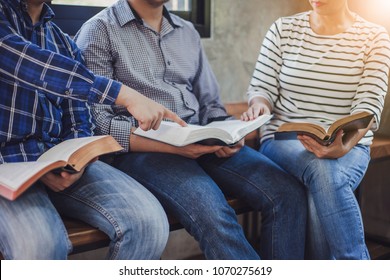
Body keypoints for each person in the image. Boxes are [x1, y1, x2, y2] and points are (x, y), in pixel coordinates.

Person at [75, 0, 307, 260]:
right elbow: (96, 123)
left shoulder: (187, 32)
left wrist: (231, 132)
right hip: (144, 152)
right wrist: (172, 145)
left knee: (287, 193)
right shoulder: (98, 30)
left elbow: (210, 106)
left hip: (201, 140)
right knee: (214, 213)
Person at [0, 0, 186, 260]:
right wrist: (124, 95)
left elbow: (79, 120)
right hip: (6, 166)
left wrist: (74, 164)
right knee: (40, 246)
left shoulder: (64, 43)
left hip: (55, 164)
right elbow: (26, 62)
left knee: (149, 223)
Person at [241, 0, 390, 259]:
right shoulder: (283, 30)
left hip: (350, 143)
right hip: (282, 140)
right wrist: (259, 106)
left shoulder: (375, 37)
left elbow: (368, 105)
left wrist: (343, 144)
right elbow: (262, 89)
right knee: (322, 170)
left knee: (320, 188)